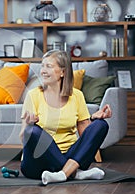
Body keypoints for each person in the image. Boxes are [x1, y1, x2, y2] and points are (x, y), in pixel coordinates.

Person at [19, 49, 112, 185]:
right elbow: (23, 137)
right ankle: (75, 174)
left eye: (49, 66)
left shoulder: (77, 96)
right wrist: (28, 125)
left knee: (101, 125)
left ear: (63, 72)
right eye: (42, 66)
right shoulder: (33, 95)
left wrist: (93, 119)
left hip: (70, 157)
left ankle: (63, 174)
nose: (43, 71)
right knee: (31, 131)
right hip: (37, 164)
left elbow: (85, 138)